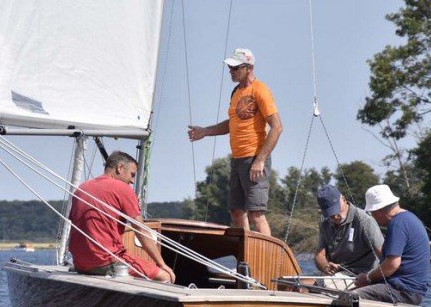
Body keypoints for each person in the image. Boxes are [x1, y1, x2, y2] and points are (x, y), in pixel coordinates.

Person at [187, 48, 283, 236]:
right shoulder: (236, 92)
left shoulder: (260, 90)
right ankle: (245, 253)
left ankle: (266, 253)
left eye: (235, 67)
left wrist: (260, 160)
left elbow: (277, 127)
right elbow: (232, 123)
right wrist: (206, 131)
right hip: (237, 159)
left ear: (249, 68)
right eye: (230, 67)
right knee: (237, 212)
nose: (231, 71)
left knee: (256, 213)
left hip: (254, 158)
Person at [68, 151, 175, 283]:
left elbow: (75, 226)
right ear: (120, 168)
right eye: (132, 174)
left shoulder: (81, 188)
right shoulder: (123, 189)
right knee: (166, 276)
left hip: (80, 264)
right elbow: (140, 230)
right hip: (107, 261)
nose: (132, 180)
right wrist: (162, 264)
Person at [351, 184, 430, 305]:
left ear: (378, 210)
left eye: (372, 212)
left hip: (402, 291)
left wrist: (368, 278)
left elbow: (392, 264)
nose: (373, 216)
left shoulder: (397, 224)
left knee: (351, 297)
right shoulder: (409, 218)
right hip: (409, 290)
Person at [314, 184, 384, 276]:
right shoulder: (324, 221)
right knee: (299, 282)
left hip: (360, 275)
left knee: (323, 283)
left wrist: (374, 277)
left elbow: (383, 254)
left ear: (343, 199)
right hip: (335, 274)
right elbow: (320, 255)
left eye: (336, 210)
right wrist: (325, 267)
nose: (334, 216)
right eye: (329, 213)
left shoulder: (365, 220)